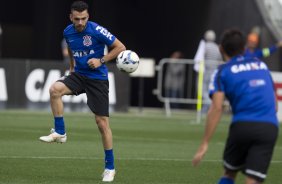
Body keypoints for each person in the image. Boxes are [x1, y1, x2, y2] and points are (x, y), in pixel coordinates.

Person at [39, 1, 126, 182]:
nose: (80, 22)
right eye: (77, 19)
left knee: (102, 124)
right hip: (79, 75)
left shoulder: (96, 30)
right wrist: (71, 68)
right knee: (55, 89)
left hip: (98, 79)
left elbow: (120, 47)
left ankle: (110, 167)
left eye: (83, 18)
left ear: (88, 17)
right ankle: (60, 132)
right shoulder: (67, 31)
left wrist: (101, 60)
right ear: (71, 17)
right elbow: (71, 49)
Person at [192, 29, 278, 184]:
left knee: (229, 173)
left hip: (243, 125)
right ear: (244, 48)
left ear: (221, 49)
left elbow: (217, 108)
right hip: (269, 127)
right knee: (253, 180)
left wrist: (204, 143)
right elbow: (275, 106)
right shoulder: (261, 65)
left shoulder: (222, 71)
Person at [194, 30, 223, 113]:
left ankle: (208, 103)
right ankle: (206, 108)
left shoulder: (205, 46)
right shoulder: (217, 47)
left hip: (206, 70)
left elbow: (201, 57)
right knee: (209, 90)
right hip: (214, 71)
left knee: (202, 89)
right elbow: (219, 59)